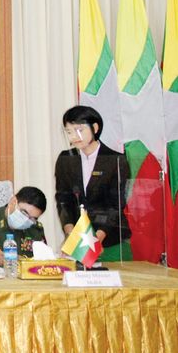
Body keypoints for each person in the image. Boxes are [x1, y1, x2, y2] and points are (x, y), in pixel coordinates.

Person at [55, 105, 131, 261]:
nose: (74, 136)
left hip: (110, 241)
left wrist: (96, 239)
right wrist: (70, 234)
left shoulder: (116, 160)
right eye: (69, 132)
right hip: (78, 242)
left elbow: (116, 205)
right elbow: (63, 200)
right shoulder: (65, 159)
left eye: (79, 130)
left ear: (95, 128)